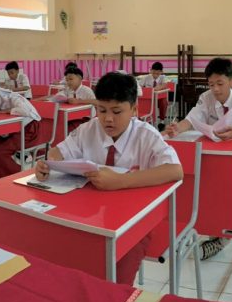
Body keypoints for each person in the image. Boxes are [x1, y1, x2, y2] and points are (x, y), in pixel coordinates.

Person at [35, 72, 182, 285]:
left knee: (115, 281)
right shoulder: (88, 129)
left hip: (134, 223)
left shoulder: (147, 135)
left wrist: (120, 181)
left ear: (134, 109)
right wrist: (47, 164)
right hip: (91, 218)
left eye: (116, 111)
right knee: (66, 263)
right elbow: (58, 152)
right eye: (102, 110)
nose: (108, 119)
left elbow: (175, 170)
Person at [163, 57, 232, 260]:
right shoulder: (206, 98)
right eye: (211, 84)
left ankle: (226, 235)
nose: (215, 89)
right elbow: (192, 119)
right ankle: (209, 228)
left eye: (220, 84)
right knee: (202, 183)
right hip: (215, 151)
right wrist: (177, 128)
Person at [0, 85, 42, 181]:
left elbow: (25, 111)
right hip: (11, 131)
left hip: (28, 131)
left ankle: (12, 179)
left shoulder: (14, 98)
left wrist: (9, 111)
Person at [140, 62, 169, 130]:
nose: (155, 75)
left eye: (157, 73)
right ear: (151, 71)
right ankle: (148, 119)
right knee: (143, 102)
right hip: (149, 99)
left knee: (164, 102)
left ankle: (161, 121)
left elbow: (165, 85)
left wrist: (158, 87)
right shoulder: (146, 77)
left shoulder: (163, 77)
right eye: (153, 73)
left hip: (159, 99)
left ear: (161, 72)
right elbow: (140, 86)